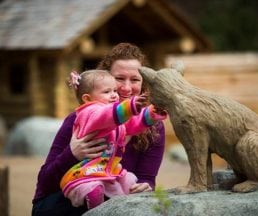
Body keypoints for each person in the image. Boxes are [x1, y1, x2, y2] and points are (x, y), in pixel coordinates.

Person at [32, 42, 166, 216]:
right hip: (60, 202)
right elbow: (45, 183)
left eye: (134, 79)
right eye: (119, 79)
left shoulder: (153, 128)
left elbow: (147, 179)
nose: (126, 88)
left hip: (113, 197)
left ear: (143, 83)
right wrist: (71, 154)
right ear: (105, 79)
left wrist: (145, 186)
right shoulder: (80, 118)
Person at [60, 69, 166, 209]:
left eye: (114, 91)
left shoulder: (114, 117)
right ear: (87, 98)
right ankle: (97, 210)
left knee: (130, 181)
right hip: (89, 169)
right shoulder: (88, 113)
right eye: (107, 92)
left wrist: (151, 113)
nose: (114, 95)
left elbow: (133, 124)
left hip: (110, 169)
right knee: (92, 188)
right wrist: (130, 106)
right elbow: (106, 115)